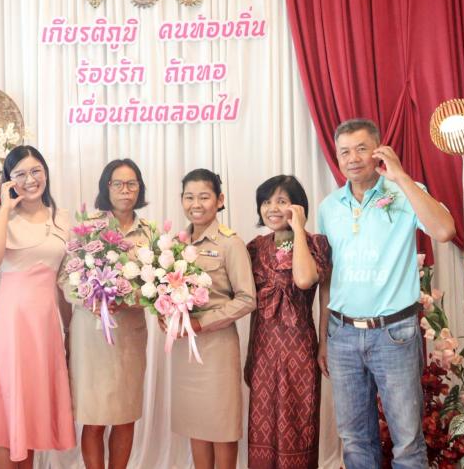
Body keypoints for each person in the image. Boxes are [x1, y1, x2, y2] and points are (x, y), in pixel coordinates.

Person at [317, 119, 455, 469]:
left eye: (361, 149)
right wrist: (324, 338)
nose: (352, 158)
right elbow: (327, 278)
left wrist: (402, 178)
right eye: (344, 152)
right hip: (342, 335)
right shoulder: (329, 208)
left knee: (406, 441)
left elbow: (444, 231)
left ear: (378, 151)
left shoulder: (405, 192)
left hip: (394, 333)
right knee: (354, 439)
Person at [0, 145, 76, 468]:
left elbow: (63, 282)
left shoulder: (62, 218)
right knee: (6, 407)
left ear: (45, 173)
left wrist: (69, 330)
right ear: (9, 180)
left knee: (30, 407)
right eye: (20, 174)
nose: (30, 180)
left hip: (44, 326)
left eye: (36, 171)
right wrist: (4, 209)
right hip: (10, 324)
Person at [61, 159, 151, 469]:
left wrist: (127, 299)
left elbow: (157, 286)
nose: (125, 190)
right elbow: (65, 279)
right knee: (94, 417)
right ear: (106, 187)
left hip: (129, 335)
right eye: (118, 184)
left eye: (132, 184)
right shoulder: (88, 228)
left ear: (139, 188)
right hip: (91, 336)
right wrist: (92, 299)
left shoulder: (149, 234)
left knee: (126, 415)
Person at [168, 168, 256, 469]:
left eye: (204, 197)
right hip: (184, 349)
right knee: (196, 423)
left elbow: (247, 299)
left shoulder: (230, 243)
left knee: (221, 425)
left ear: (219, 200)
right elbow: (166, 292)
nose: (196, 204)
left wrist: (201, 323)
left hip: (217, 348)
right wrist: (166, 318)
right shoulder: (175, 244)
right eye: (189, 197)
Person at [245, 175, 331, 469]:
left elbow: (308, 283)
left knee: (298, 423)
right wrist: (249, 354)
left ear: (298, 206)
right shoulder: (255, 247)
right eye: (266, 202)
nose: (272, 208)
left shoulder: (316, 243)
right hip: (264, 349)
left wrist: (299, 231)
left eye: (281, 201)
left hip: (300, 349)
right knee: (263, 424)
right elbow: (253, 307)